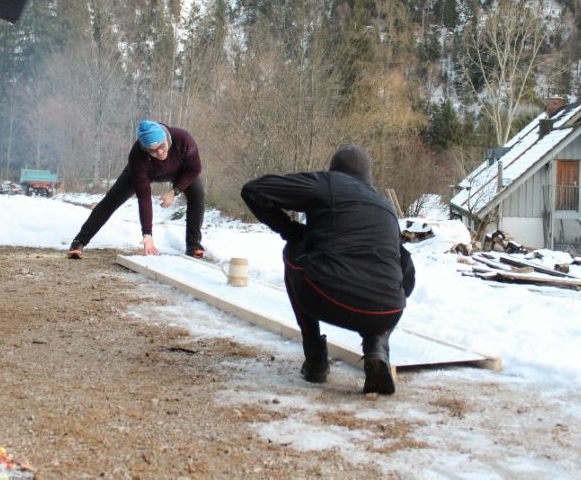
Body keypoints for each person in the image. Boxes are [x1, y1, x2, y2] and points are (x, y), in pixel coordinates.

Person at [240, 145, 415, 395]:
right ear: (368, 178)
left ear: (335, 171)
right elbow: (407, 276)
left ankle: (315, 360)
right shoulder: (384, 206)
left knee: (293, 251)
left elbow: (254, 190)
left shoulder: (327, 184)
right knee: (386, 283)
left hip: (325, 297)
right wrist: (388, 302)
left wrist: (291, 231)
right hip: (388, 312)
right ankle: (377, 345)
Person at [67, 120, 205, 259]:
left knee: (197, 196)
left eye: (162, 146)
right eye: (153, 150)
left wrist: (175, 191)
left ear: (166, 138)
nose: (160, 152)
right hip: (144, 173)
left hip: (180, 172)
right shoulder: (137, 156)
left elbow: (195, 169)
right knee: (111, 201)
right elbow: (144, 197)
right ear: (145, 149)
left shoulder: (183, 139)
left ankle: (193, 245)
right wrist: (147, 234)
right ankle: (79, 242)